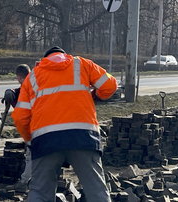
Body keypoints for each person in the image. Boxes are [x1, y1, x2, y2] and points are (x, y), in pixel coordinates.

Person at [12, 46, 117, 202]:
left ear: (44, 59)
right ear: (64, 55)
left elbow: (20, 117)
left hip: (45, 140)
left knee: (40, 191)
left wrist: (30, 140)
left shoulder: (33, 76)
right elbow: (110, 85)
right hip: (83, 136)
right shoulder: (82, 64)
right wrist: (96, 95)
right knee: (96, 190)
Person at [2, 64, 31, 192]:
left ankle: (25, 183)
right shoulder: (36, 82)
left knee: (32, 156)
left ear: (19, 77)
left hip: (36, 127)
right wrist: (12, 92)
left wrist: (12, 94)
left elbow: (21, 108)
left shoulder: (28, 87)